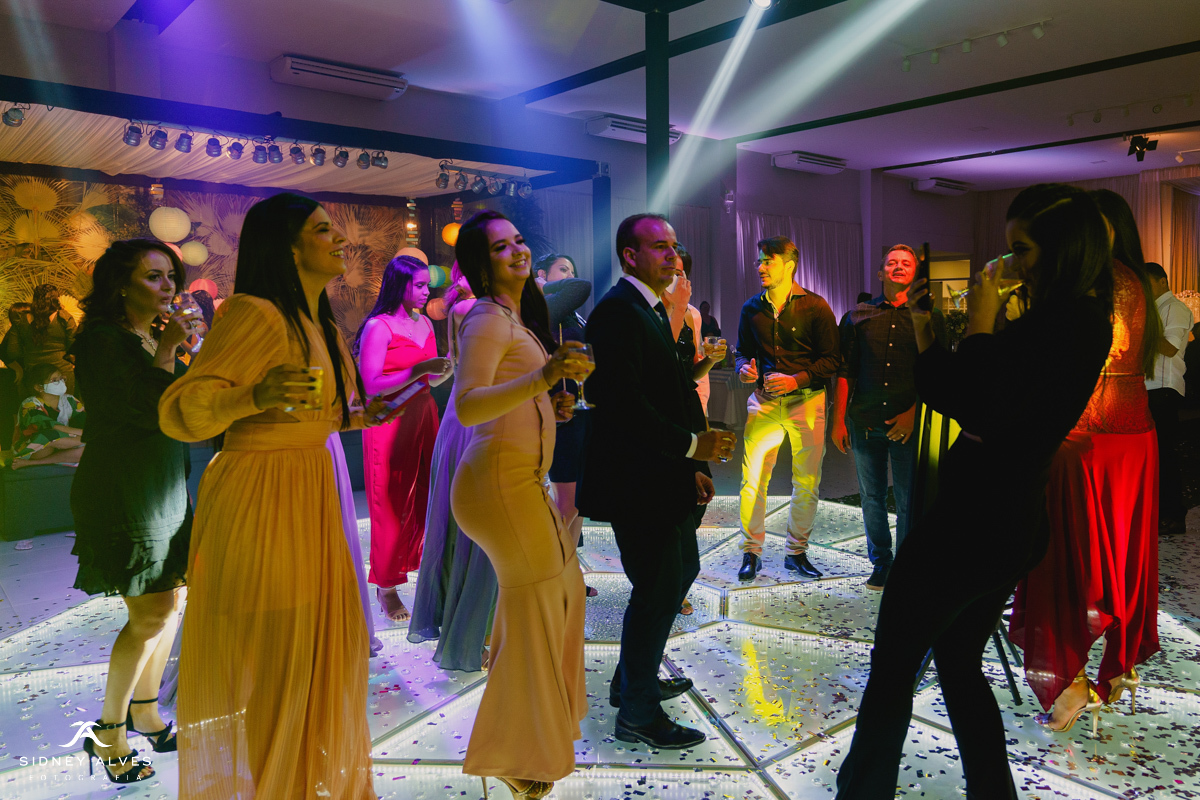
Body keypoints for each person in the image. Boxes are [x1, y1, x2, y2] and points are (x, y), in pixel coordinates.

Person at [834, 184, 1115, 799]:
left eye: (1022, 249)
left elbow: (980, 404)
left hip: (976, 521)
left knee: (894, 665)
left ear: (1063, 250)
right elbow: (948, 390)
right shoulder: (1059, 318)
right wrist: (926, 328)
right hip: (1002, 519)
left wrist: (983, 324)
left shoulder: (1072, 323)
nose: (1011, 263)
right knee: (959, 664)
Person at [158, 193, 383, 800]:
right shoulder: (254, 312)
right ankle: (277, 786)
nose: (341, 240)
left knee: (312, 651)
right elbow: (182, 412)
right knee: (279, 655)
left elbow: (317, 413)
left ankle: (300, 781)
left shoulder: (315, 320)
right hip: (263, 493)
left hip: (308, 486)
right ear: (288, 247)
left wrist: (368, 410)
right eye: (323, 230)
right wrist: (254, 396)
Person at [577, 213, 734, 750]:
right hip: (637, 480)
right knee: (657, 591)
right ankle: (638, 713)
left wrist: (693, 466)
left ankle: (631, 681)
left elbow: (669, 387)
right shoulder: (617, 311)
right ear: (630, 255)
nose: (673, 255)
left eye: (674, 246)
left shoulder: (648, 309)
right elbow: (622, 405)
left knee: (680, 572)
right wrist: (692, 447)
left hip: (664, 473)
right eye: (660, 247)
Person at [1009, 188, 1163, 729]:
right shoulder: (1134, 280)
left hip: (1089, 441)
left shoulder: (1102, 282)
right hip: (1130, 437)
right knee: (1119, 558)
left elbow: (1081, 361)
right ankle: (1119, 667)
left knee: (1070, 561)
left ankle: (1072, 681)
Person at [450, 210, 589, 799]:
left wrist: (547, 407)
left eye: (520, 241)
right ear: (482, 266)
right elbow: (468, 405)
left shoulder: (512, 319)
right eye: (501, 247)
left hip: (519, 482)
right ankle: (512, 752)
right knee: (541, 604)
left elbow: (510, 397)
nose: (518, 251)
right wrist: (543, 380)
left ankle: (537, 725)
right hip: (498, 487)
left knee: (562, 591)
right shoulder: (486, 318)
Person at [69, 239, 202, 783]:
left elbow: (184, 406)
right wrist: (168, 350)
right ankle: (108, 732)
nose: (167, 286)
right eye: (153, 276)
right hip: (123, 487)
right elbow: (144, 409)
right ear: (121, 286)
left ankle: (146, 712)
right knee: (150, 614)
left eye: (170, 276)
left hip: (164, 482)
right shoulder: (101, 340)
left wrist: (188, 351)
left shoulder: (152, 335)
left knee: (171, 603)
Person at [831, 245, 946, 590]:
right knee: (872, 497)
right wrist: (839, 419)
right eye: (892, 262)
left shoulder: (930, 317)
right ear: (881, 273)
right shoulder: (857, 315)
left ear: (915, 273)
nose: (898, 266)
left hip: (909, 423)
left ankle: (908, 564)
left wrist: (914, 413)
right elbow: (846, 370)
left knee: (910, 499)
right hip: (864, 419)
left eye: (906, 263)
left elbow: (938, 372)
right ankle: (881, 562)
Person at [408, 263, 501, 672]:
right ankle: (470, 632)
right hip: (474, 419)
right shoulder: (469, 307)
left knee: (490, 530)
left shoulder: (490, 306)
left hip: (492, 413)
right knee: (472, 530)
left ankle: (489, 626)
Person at [733, 236, 840, 582]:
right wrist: (743, 368)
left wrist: (796, 381)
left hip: (806, 402)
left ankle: (796, 552)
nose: (760, 267)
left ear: (789, 265)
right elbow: (741, 353)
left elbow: (832, 360)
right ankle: (751, 551)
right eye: (760, 260)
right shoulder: (751, 308)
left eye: (768, 261)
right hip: (764, 402)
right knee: (752, 481)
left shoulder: (816, 307)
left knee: (806, 482)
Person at [356, 255, 451, 623]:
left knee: (428, 496)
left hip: (425, 414)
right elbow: (371, 385)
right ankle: (386, 587)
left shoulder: (425, 322)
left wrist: (448, 365)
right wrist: (419, 368)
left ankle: (425, 573)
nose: (427, 292)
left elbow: (430, 380)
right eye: (420, 285)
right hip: (389, 420)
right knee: (390, 504)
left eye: (429, 285)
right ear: (400, 285)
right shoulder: (378, 326)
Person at [534, 253, 594, 592]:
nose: (570, 275)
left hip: (582, 409)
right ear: (543, 274)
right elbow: (579, 287)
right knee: (567, 502)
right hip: (562, 411)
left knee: (580, 501)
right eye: (563, 269)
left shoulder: (571, 314)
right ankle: (549, 574)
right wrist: (541, 285)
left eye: (572, 269)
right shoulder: (546, 308)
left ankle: (569, 573)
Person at [1144, 260, 1192, 535]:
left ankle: (1174, 515)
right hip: (1149, 386)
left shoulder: (1174, 307)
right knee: (1155, 454)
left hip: (1163, 387)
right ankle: (1162, 512)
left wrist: (1140, 328)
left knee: (1165, 453)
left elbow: (1171, 348)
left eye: (1147, 282)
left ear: (1162, 281)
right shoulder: (1154, 309)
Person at [664, 244, 725, 416]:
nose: (671, 279)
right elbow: (661, 358)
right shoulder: (647, 311)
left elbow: (691, 372)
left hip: (687, 403)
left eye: (677, 274)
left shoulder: (691, 315)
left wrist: (711, 359)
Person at [11, 363, 86, 468]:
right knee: (50, 434)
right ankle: (27, 460)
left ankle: (33, 464)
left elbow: (85, 422)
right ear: (38, 387)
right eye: (54, 380)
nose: (60, 382)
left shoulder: (70, 400)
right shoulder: (30, 404)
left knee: (86, 450)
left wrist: (88, 434)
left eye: (61, 378)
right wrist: (87, 435)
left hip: (63, 444)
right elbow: (52, 427)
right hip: (35, 448)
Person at [9, 284, 78, 392]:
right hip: (62, 373)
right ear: (55, 299)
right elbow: (75, 347)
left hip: (33, 373)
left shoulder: (21, 320)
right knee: (64, 402)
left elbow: (12, 352)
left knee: (37, 403)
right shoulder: (64, 318)